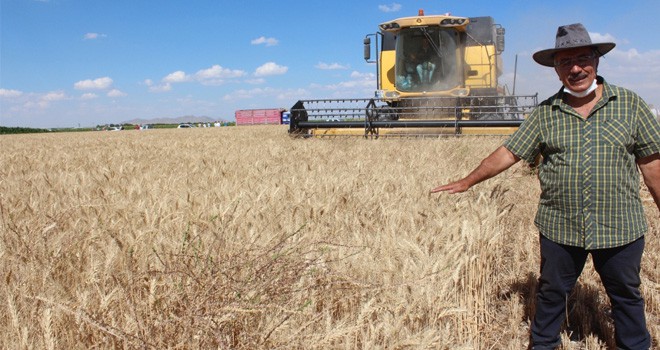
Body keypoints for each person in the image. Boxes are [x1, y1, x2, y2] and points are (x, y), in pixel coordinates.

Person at [430, 23, 659, 350]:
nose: (575, 68)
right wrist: (468, 180)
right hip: (560, 227)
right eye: (565, 62)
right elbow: (509, 151)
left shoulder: (630, 105)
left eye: (582, 58)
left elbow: (652, 165)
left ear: (597, 59)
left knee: (626, 294)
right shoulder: (545, 113)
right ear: (555, 68)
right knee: (552, 294)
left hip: (619, 226)